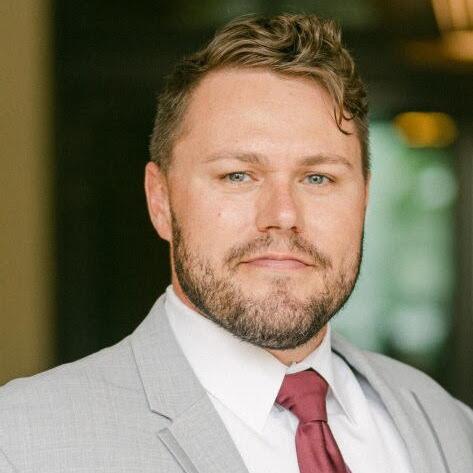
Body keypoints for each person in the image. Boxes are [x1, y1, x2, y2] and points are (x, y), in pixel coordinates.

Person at [0, 13, 472, 473]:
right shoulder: (21, 444)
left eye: (318, 177)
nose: (283, 216)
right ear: (160, 201)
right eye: (238, 175)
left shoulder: (453, 428)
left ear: (364, 198)